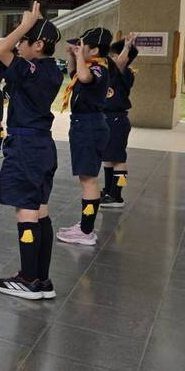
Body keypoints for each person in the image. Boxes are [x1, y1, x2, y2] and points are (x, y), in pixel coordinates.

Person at [0, 3, 63, 300]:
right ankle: (42, 279)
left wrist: (25, 24)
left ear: (39, 44)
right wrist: (34, 26)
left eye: (24, 40)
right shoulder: (51, 70)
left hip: (26, 147)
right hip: (42, 146)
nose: (18, 45)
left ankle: (28, 279)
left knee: (26, 211)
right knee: (40, 210)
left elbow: (0, 49)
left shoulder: (28, 70)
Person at [57, 28, 113, 247]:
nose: (78, 49)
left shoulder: (99, 68)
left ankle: (86, 231)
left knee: (89, 179)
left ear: (95, 50)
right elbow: (74, 74)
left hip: (89, 126)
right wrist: (74, 56)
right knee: (86, 176)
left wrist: (79, 56)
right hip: (83, 125)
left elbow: (84, 77)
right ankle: (84, 225)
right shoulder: (88, 65)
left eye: (82, 46)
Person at [100, 34, 138, 208]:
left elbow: (120, 62)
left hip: (117, 119)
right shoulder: (111, 73)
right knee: (109, 158)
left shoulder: (125, 72)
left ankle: (117, 196)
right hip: (108, 118)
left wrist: (127, 46)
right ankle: (108, 191)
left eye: (114, 56)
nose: (111, 59)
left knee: (118, 159)